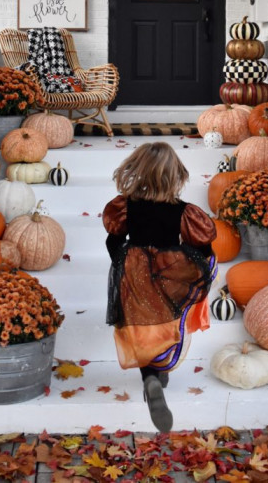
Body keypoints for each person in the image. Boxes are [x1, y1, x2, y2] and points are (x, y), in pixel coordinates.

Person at [102, 141, 217, 432]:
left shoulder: (125, 206)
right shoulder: (183, 211)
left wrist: (124, 264)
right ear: (175, 174)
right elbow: (202, 248)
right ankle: (160, 370)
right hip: (169, 273)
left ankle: (149, 377)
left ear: (138, 171)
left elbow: (113, 241)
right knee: (167, 324)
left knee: (139, 328)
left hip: (135, 273)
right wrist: (201, 269)